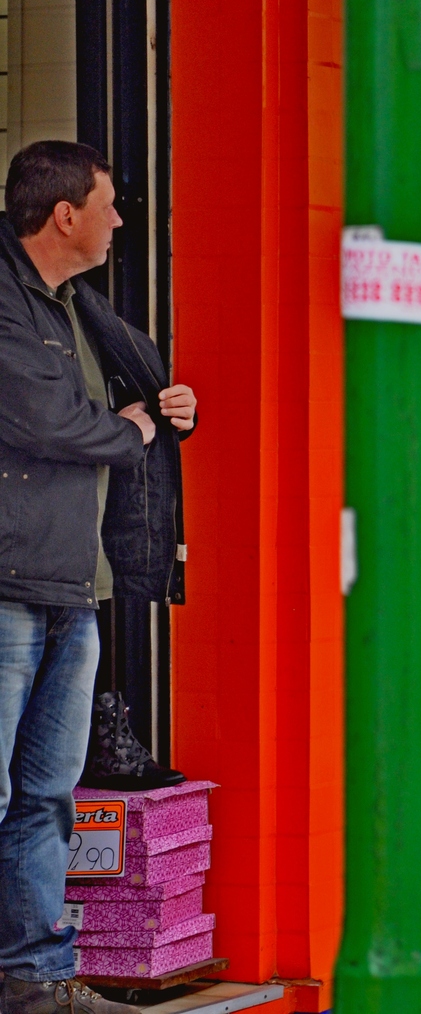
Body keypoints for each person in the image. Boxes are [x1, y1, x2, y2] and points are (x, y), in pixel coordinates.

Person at [0, 141, 195, 1014]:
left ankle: (37, 983)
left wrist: (165, 411)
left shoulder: (76, 306)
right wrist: (136, 428)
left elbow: (125, 402)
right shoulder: (7, 303)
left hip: (69, 587)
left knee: (45, 798)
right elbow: (49, 420)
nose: (122, 221)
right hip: (6, 584)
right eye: (111, 205)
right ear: (64, 214)